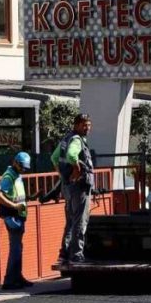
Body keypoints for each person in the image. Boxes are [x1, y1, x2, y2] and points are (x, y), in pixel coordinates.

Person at [52, 114, 94, 268]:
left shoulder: (66, 138)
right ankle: (76, 255)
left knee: (70, 221)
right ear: (76, 125)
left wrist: (64, 177)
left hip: (69, 187)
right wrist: (76, 171)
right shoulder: (76, 140)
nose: (87, 128)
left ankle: (64, 254)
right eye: (84, 125)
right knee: (80, 221)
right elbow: (71, 155)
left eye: (88, 125)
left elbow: (54, 158)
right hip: (79, 187)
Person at [0, 152, 33, 290]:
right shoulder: (9, 176)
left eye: (26, 168)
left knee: (18, 248)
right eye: (22, 167)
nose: (24, 170)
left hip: (19, 216)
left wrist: (31, 197)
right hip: (12, 217)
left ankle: (17, 277)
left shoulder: (17, 175)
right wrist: (14, 206)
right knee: (15, 249)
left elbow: (17, 195)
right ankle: (10, 281)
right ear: (15, 162)